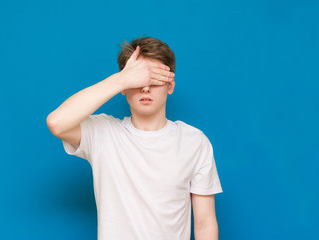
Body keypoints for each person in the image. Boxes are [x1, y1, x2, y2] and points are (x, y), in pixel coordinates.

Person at [46, 36, 223, 240]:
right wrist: (122, 78)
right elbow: (57, 122)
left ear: (170, 85)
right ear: (124, 86)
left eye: (154, 79)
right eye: (139, 79)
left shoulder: (194, 141)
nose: (145, 88)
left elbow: (205, 225)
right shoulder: (104, 133)